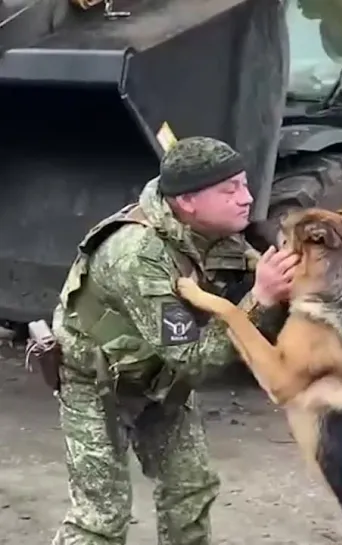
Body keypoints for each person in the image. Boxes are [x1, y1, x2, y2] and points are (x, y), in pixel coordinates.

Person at [51, 136, 299, 545]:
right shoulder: (137, 255)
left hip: (156, 376)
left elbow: (256, 271)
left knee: (190, 490)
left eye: (244, 184)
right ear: (188, 203)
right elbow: (194, 360)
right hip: (95, 384)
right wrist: (262, 298)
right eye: (230, 190)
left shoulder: (210, 230)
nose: (247, 198)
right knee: (100, 518)